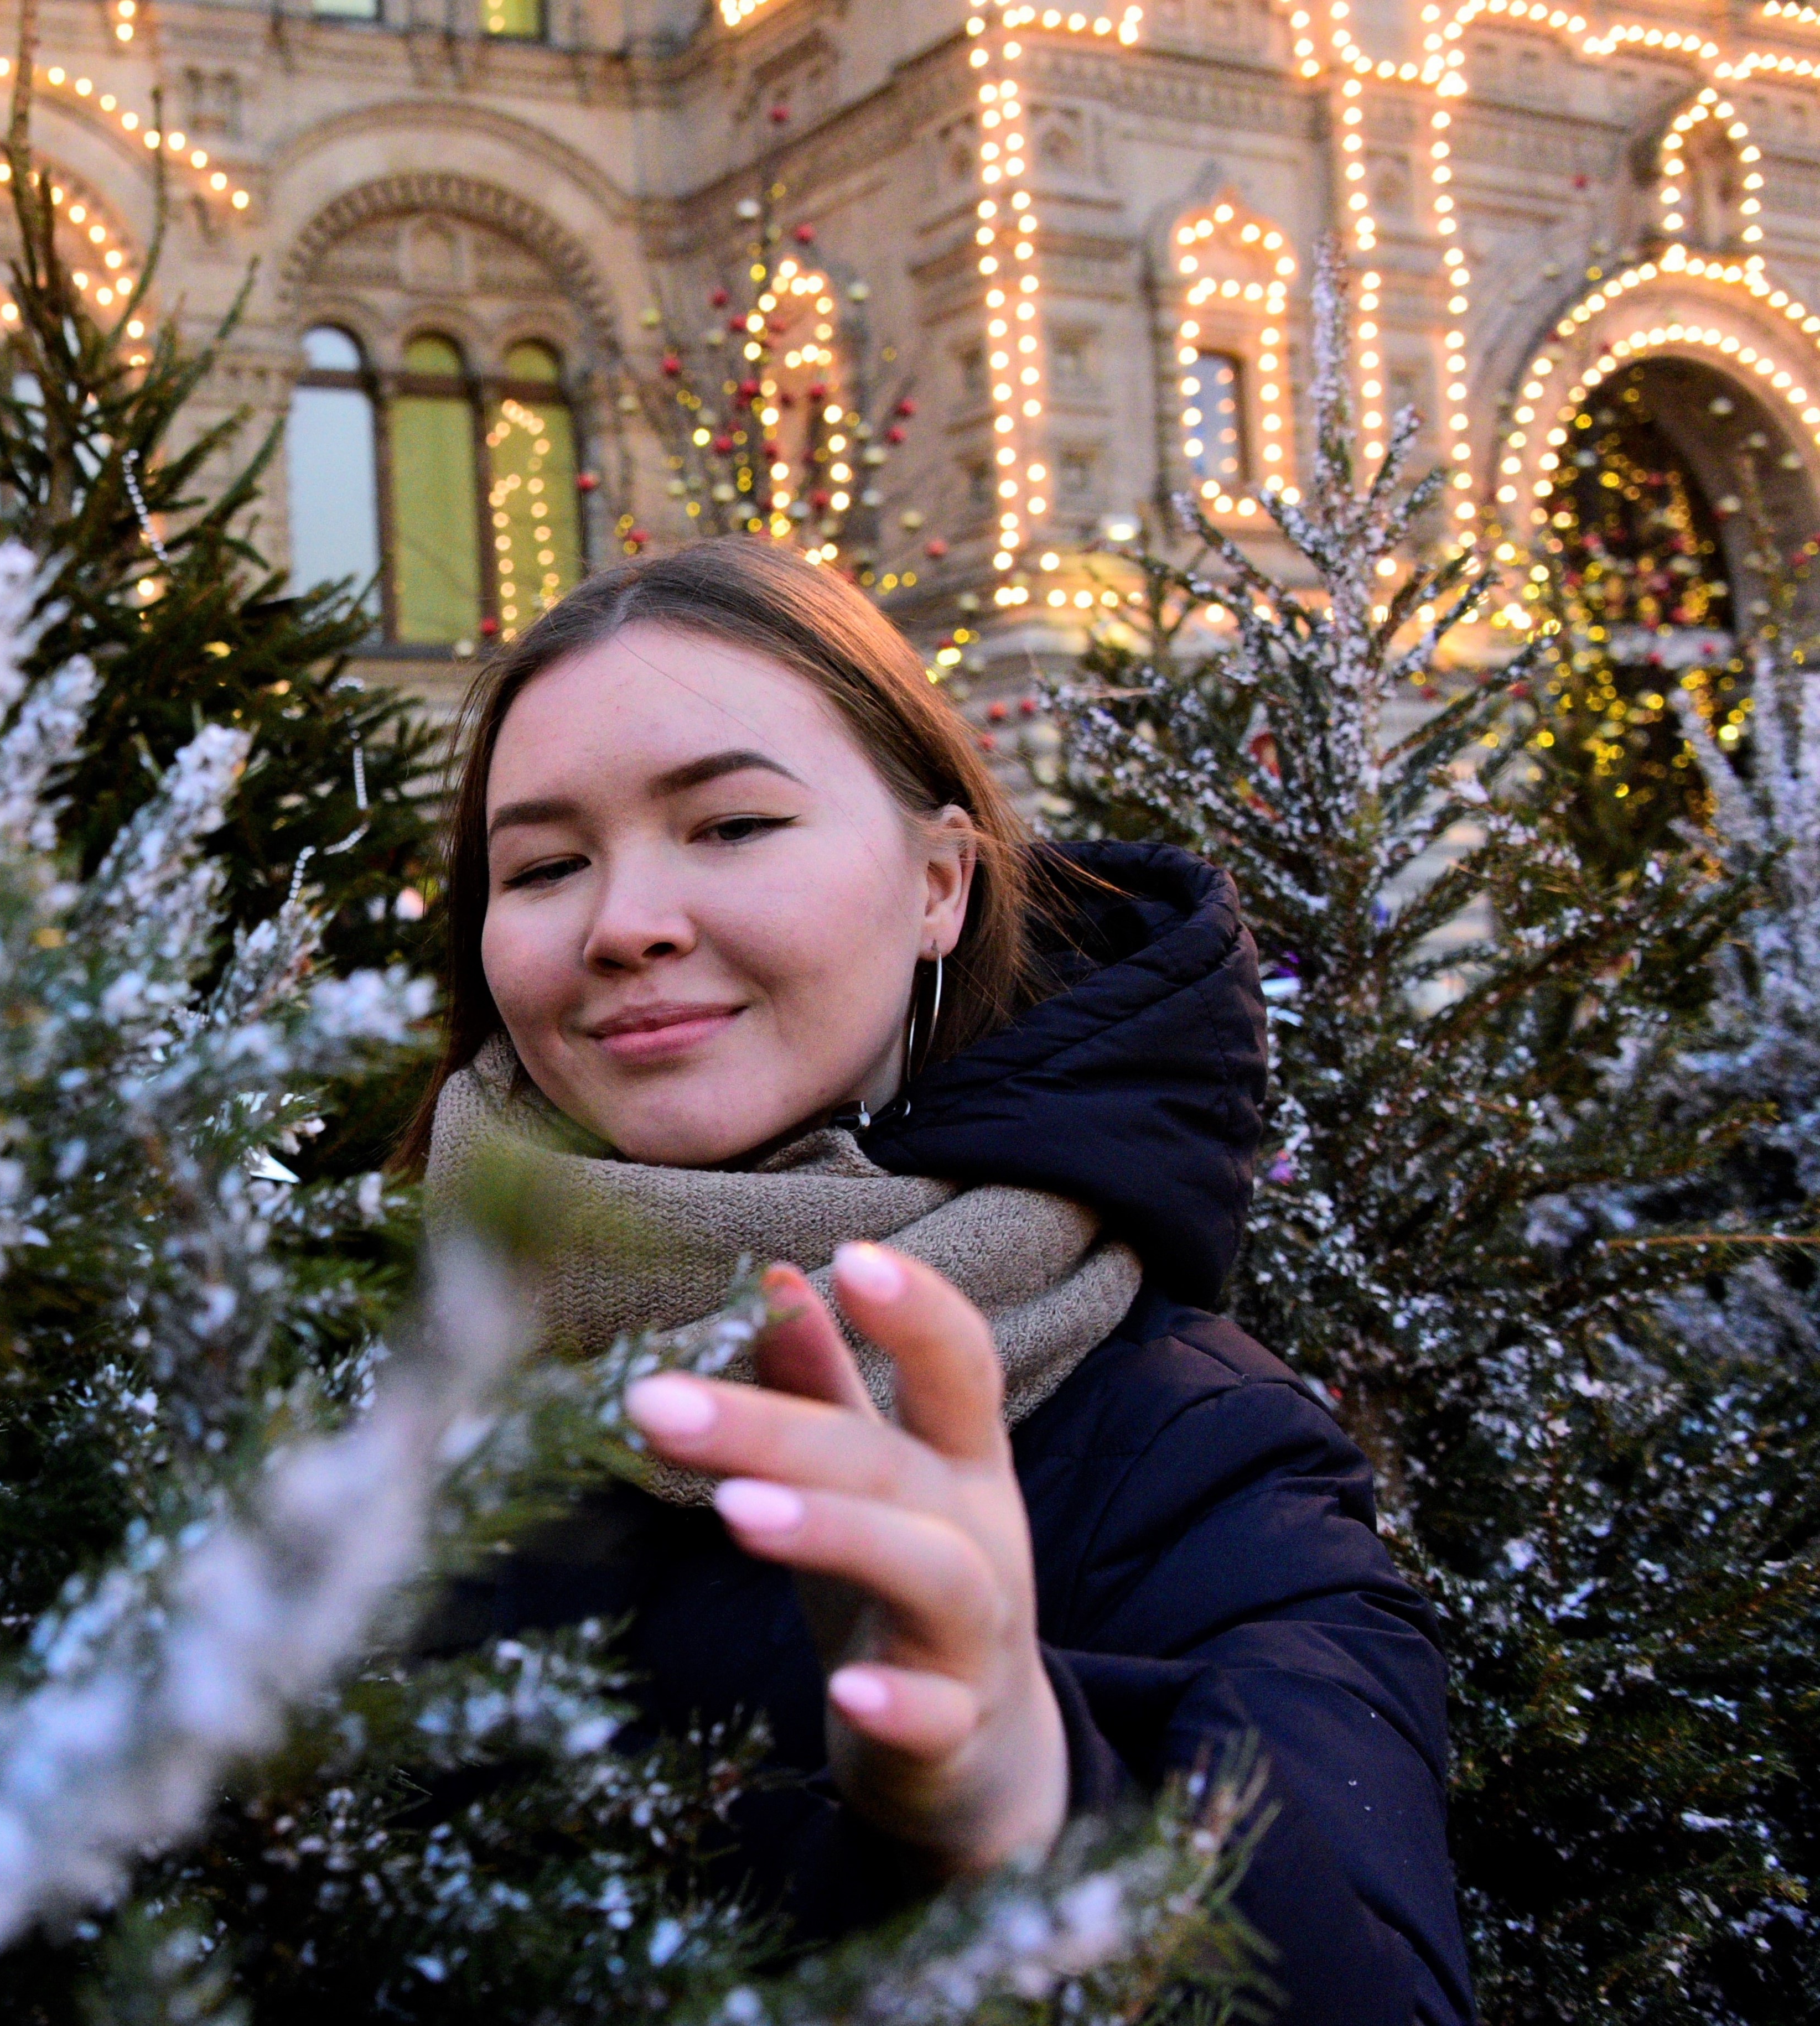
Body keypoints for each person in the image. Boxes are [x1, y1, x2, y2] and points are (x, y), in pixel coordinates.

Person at [405, 539, 1469, 2024]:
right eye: (542, 866)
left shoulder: (1194, 1449)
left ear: (938, 885)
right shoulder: (349, 1375)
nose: (623, 921)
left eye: (731, 825)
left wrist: (1030, 1806)